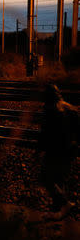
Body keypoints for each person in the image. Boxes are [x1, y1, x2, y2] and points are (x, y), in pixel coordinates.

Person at [39, 84, 78, 213]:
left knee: (46, 177)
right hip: (69, 149)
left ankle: (64, 203)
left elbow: (45, 133)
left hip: (54, 150)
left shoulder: (49, 109)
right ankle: (58, 209)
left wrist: (40, 149)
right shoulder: (69, 107)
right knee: (61, 178)